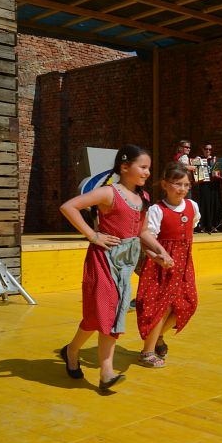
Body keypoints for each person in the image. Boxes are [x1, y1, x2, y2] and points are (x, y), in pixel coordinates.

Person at [58, 144, 158, 392]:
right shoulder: (108, 193)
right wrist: (93, 235)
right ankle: (106, 373)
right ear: (124, 167)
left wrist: (159, 252)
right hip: (103, 261)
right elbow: (68, 207)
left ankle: (72, 350)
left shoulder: (144, 198)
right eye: (143, 167)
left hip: (125, 264)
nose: (147, 173)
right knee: (107, 316)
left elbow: (142, 231)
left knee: (100, 317)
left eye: (148, 168)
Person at [135, 161, 200, 368]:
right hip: (161, 266)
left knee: (189, 303)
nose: (182, 189)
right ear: (165, 184)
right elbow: (147, 238)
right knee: (162, 308)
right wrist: (159, 257)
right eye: (177, 184)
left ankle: (157, 337)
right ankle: (147, 352)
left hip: (183, 264)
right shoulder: (157, 210)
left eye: (186, 185)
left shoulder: (192, 206)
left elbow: (191, 226)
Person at [193, 143, 222, 233]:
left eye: (210, 149)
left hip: (214, 185)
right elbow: (197, 175)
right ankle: (203, 225)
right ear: (203, 149)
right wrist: (196, 162)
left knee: (214, 204)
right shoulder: (199, 159)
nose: (208, 151)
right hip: (204, 184)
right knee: (204, 204)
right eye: (206, 149)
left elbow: (220, 173)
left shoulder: (215, 159)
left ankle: (213, 225)